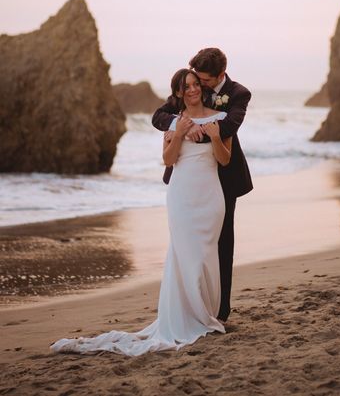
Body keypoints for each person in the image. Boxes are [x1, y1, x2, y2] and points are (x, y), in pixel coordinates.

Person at [50, 68, 231, 356]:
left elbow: (224, 160)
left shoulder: (220, 119)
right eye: (187, 86)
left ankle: (205, 315)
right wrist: (180, 132)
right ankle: (187, 317)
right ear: (179, 93)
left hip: (210, 197)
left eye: (196, 84)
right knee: (184, 254)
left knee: (205, 257)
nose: (194, 89)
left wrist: (216, 138)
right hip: (182, 196)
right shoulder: (174, 123)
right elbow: (168, 160)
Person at [152, 47, 253, 322]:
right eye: (194, 80)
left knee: (222, 244)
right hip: (186, 181)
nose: (198, 86)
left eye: (204, 81)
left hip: (223, 177)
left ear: (219, 75)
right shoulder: (190, 87)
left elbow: (229, 127)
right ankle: (191, 306)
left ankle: (220, 311)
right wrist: (181, 125)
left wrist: (199, 133)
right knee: (187, 246)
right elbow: (158, 117)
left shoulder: (238, 93)